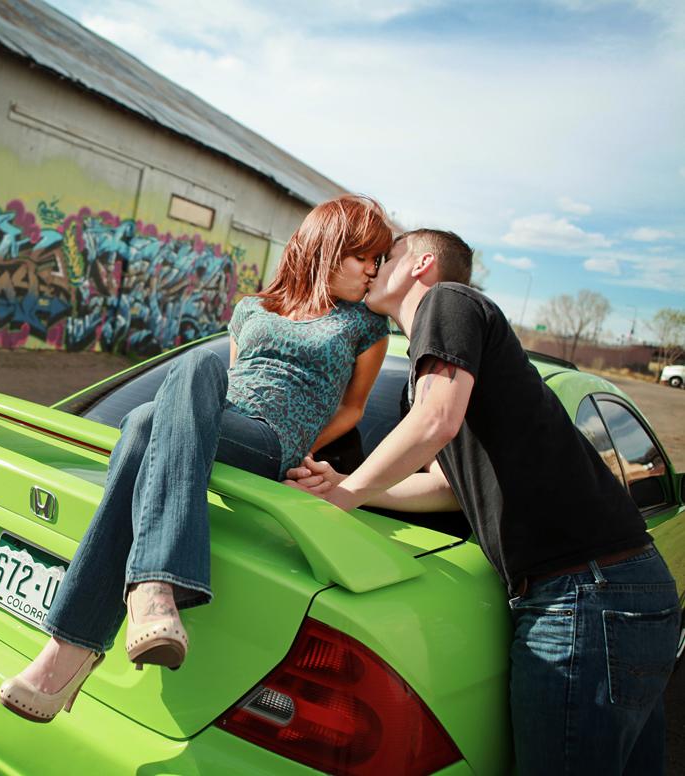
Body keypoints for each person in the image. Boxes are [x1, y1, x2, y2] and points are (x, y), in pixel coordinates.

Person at [286, 229, 680, 774]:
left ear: (422, 263)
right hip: (604, 592)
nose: (375, 266)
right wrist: (347, 485)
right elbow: (447, 487)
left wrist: (348, 494)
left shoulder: (447, 301)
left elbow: (435, 422)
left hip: (587, 595)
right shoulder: (432, 374)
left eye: (388, 255)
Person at [0, 195, 394, 723]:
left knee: (188, 375)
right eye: (364, 256)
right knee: (146, 419)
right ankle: (95, 635)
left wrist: (302, 444)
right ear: (327, 248)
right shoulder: (252, 308)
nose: (373, 271)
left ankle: (110, 616)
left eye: (379, 260)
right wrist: (200, 424)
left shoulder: (365, 326)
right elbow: (213, 395)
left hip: (273, 440)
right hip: (212, 425)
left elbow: (353, 408)